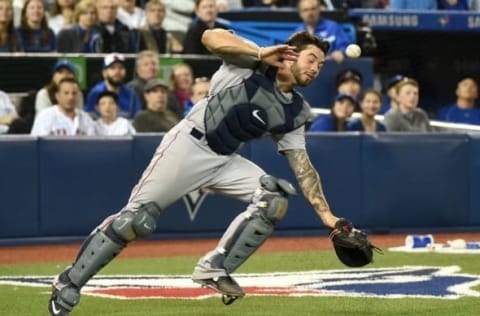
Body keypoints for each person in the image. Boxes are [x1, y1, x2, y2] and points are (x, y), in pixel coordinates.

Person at [48, 28, 345, 315]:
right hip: (189, 144)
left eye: (321, 64)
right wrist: (259, 52)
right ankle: (69, 282)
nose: (317, 68)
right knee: (134, 220)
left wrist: (328, 218)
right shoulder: (250, 61)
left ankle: (215, 266)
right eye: (312, 59)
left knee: (274, 198)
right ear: (291, 55)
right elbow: (210, 36)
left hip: (226, 158)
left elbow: (303, 166)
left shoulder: (295, 110)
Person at [31, 77, 95, 136]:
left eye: (74, 93)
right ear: (57, 96)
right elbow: (37, 145)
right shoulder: (45, 116)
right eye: (66, 93)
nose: (70, 97)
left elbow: (93, 145)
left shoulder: (86, 119)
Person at [126, 50, 182, 117]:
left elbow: (177, 111)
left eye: (154, 64)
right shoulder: (133, 88)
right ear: (138, 69)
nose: (151, 67)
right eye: (146, 64)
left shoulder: (166, 88)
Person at [85, 52, 142, 119]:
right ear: (104, 73)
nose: (117, 71)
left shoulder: (131, 93)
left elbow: (138, 118)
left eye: (121, 68)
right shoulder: (95, 93)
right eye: (112, 68)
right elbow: (89, 118)